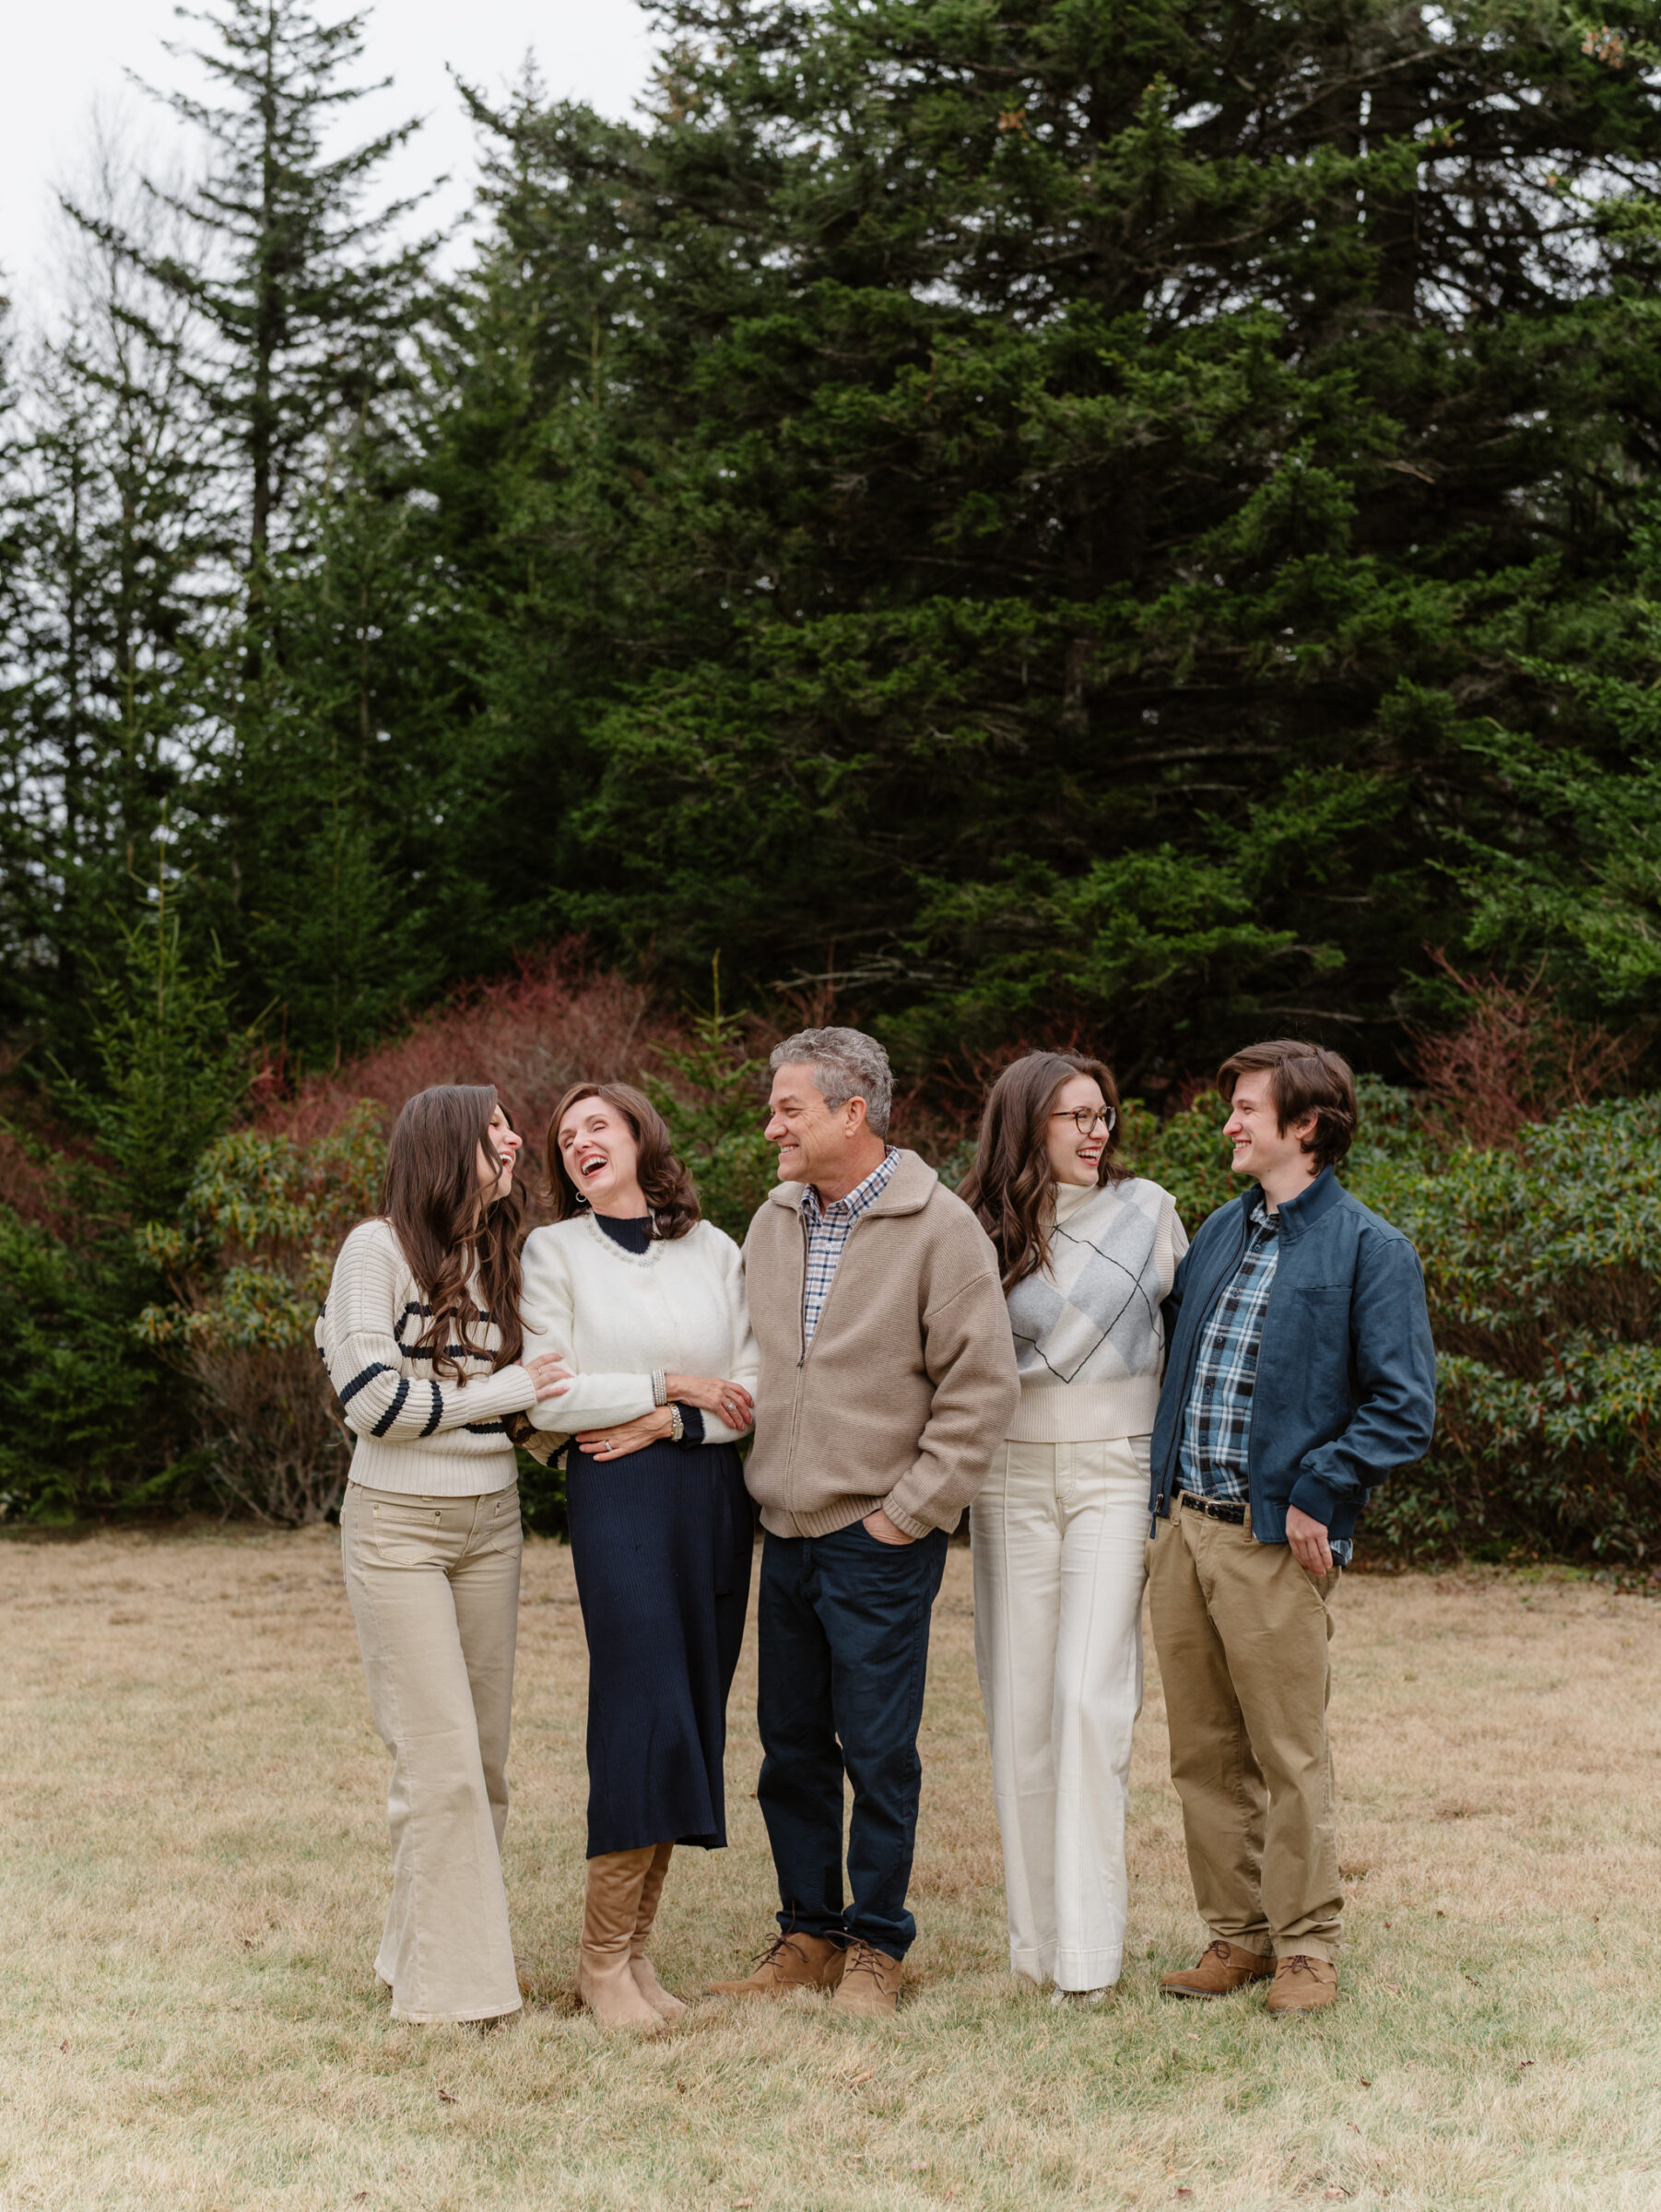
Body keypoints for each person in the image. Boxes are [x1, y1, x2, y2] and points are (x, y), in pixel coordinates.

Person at [707, 1027, 1019, 2018]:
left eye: (787, 1108)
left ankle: (878, 1945)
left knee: (878, 1749)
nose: (770, 1128)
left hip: (876, 1536)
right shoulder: (768, 1222)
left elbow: (981, 1389)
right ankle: (808, 1934)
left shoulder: (940, 1228)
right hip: (783, 1533)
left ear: (853, 1112)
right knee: (788, 1746)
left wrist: (908, 1514)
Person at [1147, 1041, 1435, 2014]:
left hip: (1273, 1540)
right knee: (1200, 1751)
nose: (1227, 1123)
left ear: (1303, 1127)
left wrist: (1321, 1485)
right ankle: (1237, 1937)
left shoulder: (1370, 1249)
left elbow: (1403, 1406)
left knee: (1286, 1752)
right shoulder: (1219, 1234)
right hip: (1184, 1531)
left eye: (1245, 1109)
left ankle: (1307, 1946)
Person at [317, 1084, 571, 2026]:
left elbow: (533, 1405)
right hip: (397, 1528)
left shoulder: (503, 1260)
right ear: (447, 1142)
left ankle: (408, 1953)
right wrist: (492, 1394)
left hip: (491, 1525)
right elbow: (371, 1402)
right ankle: (454, 1997)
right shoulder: (374, 1251)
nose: (515, 1140)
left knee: (486, 1765)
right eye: (496, 1127)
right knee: (440, 1762)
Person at [519, 1082, 759, 2032]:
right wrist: (666, 1382)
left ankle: (634, 1955)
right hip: (616, 1493)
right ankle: (598, 1961)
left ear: (637, 1136)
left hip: (707, 1492)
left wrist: (668, 1417)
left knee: (694, 1705)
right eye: (565, 1136)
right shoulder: (553, 1252)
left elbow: (751, 1385)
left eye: (597, 1126)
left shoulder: (716, 1250)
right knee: (642, 1704)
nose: (581, 1143)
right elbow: (550, 1395)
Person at [959, 1052, 1187, 2005]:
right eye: (1072, 1117)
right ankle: (1036, 1949)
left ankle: (1089, 1962)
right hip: (1007, 1474)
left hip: (1115, 1471)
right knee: (1021, 1711)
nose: (1095, 1132)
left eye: (1104, 1113)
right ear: (1024, 1126)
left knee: (1093, 1704)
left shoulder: (1152, 1214)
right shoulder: (971, 1227)